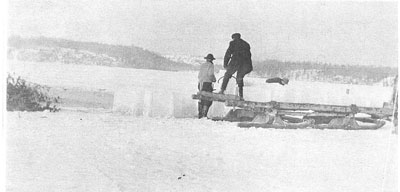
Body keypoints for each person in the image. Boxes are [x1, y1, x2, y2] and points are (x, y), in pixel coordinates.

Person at [218, 33, 253, 100]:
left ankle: (222, 90)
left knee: (227, 75)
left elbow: (228, 54)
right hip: (246, 64)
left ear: (233, 38)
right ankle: (240, 96)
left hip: (236, 62)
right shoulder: (246, 44)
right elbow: (249, 56)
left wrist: (225, 65)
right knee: (239, 78)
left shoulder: (233, 43)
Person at [198, 53, 217, 118]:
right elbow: (210, 74)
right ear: (211, 60)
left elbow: (199, 75)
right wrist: (214, 79)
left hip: (200, 83)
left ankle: (200, 114)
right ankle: (204, 114)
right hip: (207, 84)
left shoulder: (202, 65)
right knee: (208, 99)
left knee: (201, 98)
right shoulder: (211, 65)